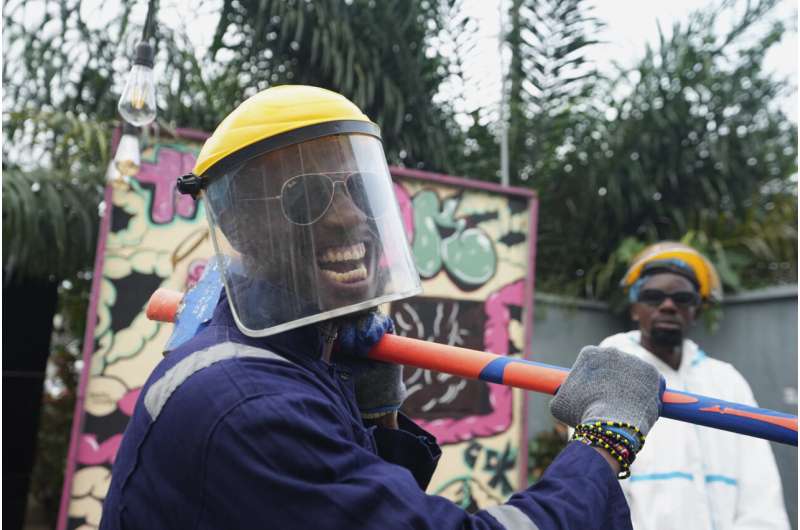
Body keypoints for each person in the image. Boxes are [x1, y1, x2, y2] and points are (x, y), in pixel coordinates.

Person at [99, 85, 664, 530]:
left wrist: (376, 416)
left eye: (359, 190)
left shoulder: (288, 359)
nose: (349, 218)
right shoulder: (247, 405)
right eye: (306, 198)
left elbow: (365, 505)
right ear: (238, 226)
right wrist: (603, 444)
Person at [601, 242, 790, 530]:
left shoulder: (727, 381)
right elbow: (602, 490)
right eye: (653, 297)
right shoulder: (608, 371)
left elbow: (760, 489)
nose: (668, 305)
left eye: (682, 298)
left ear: (697, 311)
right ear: (635, 308)